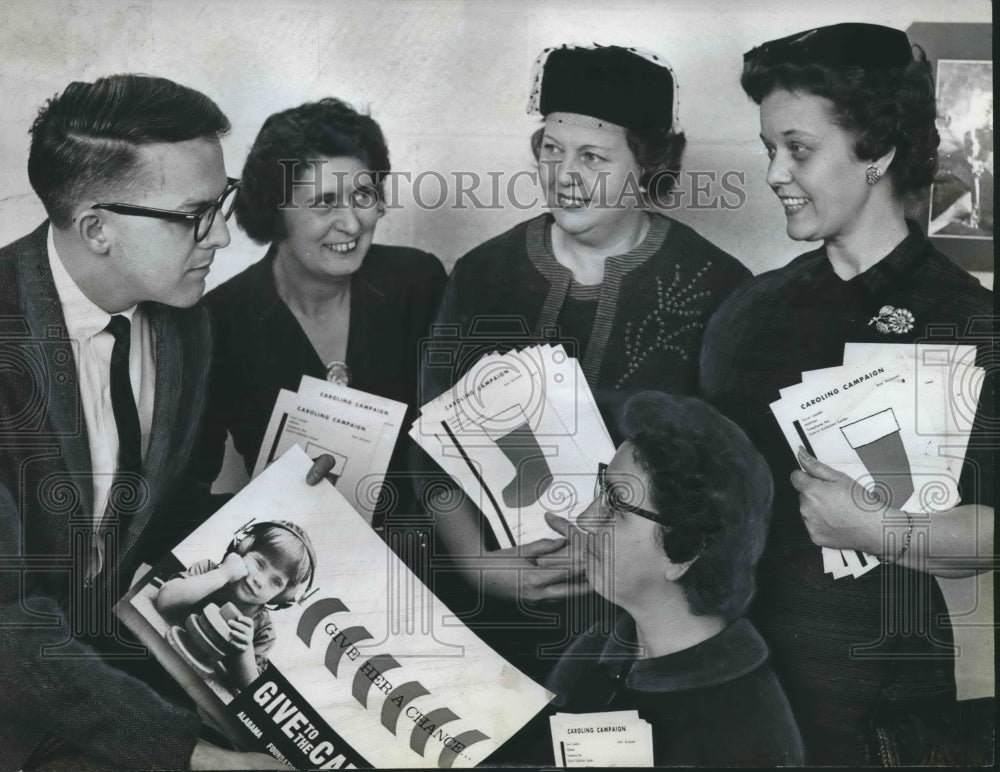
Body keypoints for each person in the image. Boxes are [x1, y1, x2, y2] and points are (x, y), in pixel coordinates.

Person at [699, 23, 995, 765]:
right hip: (739, 686)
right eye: (769, 148)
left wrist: (877, 531)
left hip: (882, 708)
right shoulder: (747, 313)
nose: (774, 173)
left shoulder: (966, 320)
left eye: (797, 148)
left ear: (878, 152)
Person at [0, 74, 315, 770]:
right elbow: (7, 628)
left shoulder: (185, 321)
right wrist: (197, 759)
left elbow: (165, 516)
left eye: (223, 201)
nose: (225, 235)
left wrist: (299, 508)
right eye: (193, 215)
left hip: (126, 674)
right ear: (96, 228)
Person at [418, 44, 751, 680]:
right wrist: (479, 565)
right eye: (550, 148)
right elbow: (428, 443)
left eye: (593, 156)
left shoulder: (716, 285)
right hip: (491, 611)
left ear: (648, 165)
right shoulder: (484, 275)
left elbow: (726, 480)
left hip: (644, 628)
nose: (564, 175)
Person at [490, 392, 803, 766]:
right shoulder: (602, 644)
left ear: (683, 552)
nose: (587, 519)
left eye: (617, 504)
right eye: (600, 489)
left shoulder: (745, 730)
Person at [189, 97, 446, 528]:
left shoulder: (417, 281)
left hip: (430, 555)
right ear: (276, 211)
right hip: (300, 563)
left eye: (362, 194)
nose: (351, 223)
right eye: (325, 202)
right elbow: (188, 487)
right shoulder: (219, 321)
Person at [156, 520, 316, 692]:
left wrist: (245, 649)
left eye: (276, 582)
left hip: (194, 690)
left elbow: (252, 689)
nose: (260, 581)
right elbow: (165, 600)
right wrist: (223, 573)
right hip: (159, 650)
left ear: (284, 595)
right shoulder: (209, 570)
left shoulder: (264, 631)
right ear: (244, 549)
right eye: (259, 564)